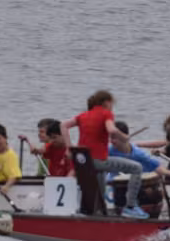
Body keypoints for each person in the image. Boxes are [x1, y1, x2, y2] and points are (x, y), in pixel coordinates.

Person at [62, 90, 147, 219]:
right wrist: (124, 137)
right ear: (106, 102)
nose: (112, 106)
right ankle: (130, 207)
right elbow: (111, 129)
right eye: (112, 103)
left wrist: (68, 148)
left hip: (83, 162)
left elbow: (63, 125)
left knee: (101, 172)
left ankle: (98, 212)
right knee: (137, 168)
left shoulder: (83, 115)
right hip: (98, 160)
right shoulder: (106, 113)